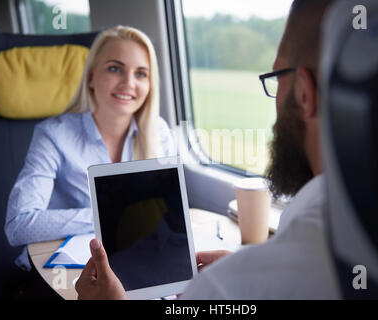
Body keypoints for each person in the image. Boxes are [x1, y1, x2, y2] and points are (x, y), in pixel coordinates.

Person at [75, 0, 340, 300]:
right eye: (114, 69)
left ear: (304, 93)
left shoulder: (220, 289)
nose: (128, 83)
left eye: (277, 77)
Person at [5, 25, 176, 271]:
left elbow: (167, 213)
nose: (128, 83)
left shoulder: (158, 132)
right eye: (115, 69)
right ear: (92, 76)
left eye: (141, 74)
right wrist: (109, 216)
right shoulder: (53, 135)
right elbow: (18, 224)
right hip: (56, 272)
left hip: (128, 262)